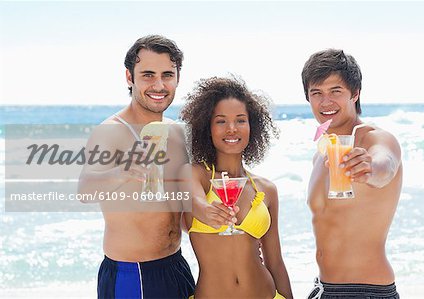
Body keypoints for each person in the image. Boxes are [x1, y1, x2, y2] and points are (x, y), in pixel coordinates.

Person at [78, 35, 234, 299]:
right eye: (148, 75)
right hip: (133, 274)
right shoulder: (111, 132)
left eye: (167, 75)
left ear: (177, 78)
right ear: (130, 77)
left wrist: (214, 216)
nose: (159, 85)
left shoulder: (178, 133)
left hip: (176, 266)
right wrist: (123, 170)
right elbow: (85, 190)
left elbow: (181, 207)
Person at [179, 76, 293, 299]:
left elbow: (275, 261)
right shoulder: (195, 174)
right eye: (221, 121)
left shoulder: (266, 189)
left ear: (252, 127)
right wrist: (207, 211)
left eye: (241, 120)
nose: (232, 129)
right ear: (207, 128)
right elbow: (195, 201)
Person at [302, 49, 402, 299]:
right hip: (324, 289)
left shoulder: (374, 138)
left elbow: (385, 165)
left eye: (335, 91)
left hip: (367, 291)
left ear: (355, 94)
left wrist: (370, 167)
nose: (325, 102)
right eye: (317, 93)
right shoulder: (322, 153)